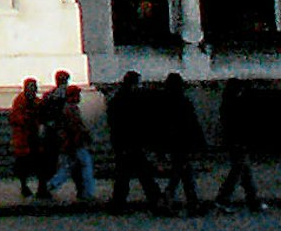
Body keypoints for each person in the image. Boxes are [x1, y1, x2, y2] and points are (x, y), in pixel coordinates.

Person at [209, 80, 274, 213]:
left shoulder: (228, 103)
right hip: (237, 142)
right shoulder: (234, 104)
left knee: (244, 172)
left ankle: (253, 201)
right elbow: (239, 125)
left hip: (234, 141)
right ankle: (223, 199)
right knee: (238, 171)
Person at [153, 73, 209, 216]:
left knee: (182, 173)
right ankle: (174, 201)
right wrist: (200, 143)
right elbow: (192, 123)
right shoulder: (183, 101)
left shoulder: (162, 102)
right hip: (182, 142)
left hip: (172, 142)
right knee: (180, 173)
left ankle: (190, 202)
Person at [41, 71, 96, 205]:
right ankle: (85, 191)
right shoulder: (70, 108)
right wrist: (84, 137)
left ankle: (51, 185)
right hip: (72, 142)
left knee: (68, 167)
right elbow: (75, 127)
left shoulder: (50, 96)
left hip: (62, 138)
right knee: (83, 165)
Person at [102, 73, 150, 211]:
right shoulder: (133, 98)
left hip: (121, 141)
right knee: (141, 172)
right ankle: (154, 198)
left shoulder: (117, 98)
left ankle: (118, 201)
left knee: (124, 174)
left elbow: (111, 120)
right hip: (131, 140)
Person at [8, 77, 43, 200]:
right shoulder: (20, 101)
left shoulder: (36, 101)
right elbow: (15, 118)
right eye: (32, 87)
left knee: (39, 164)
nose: (34, 89)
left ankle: (40, 187)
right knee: (23, 165)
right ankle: (25, 186)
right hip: (23, 139)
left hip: (33, 137)